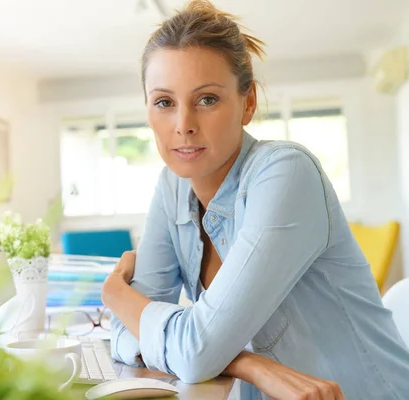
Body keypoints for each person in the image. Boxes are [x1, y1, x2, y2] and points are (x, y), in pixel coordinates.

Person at [100, 1, 409, 399]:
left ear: (247, 104)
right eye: (164, 102)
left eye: (207, 99)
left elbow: (182, 345)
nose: (183, 125)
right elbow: (127, 335)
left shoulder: (286, 173)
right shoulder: (172, 186)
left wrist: (115, 294)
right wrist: (246, 363)